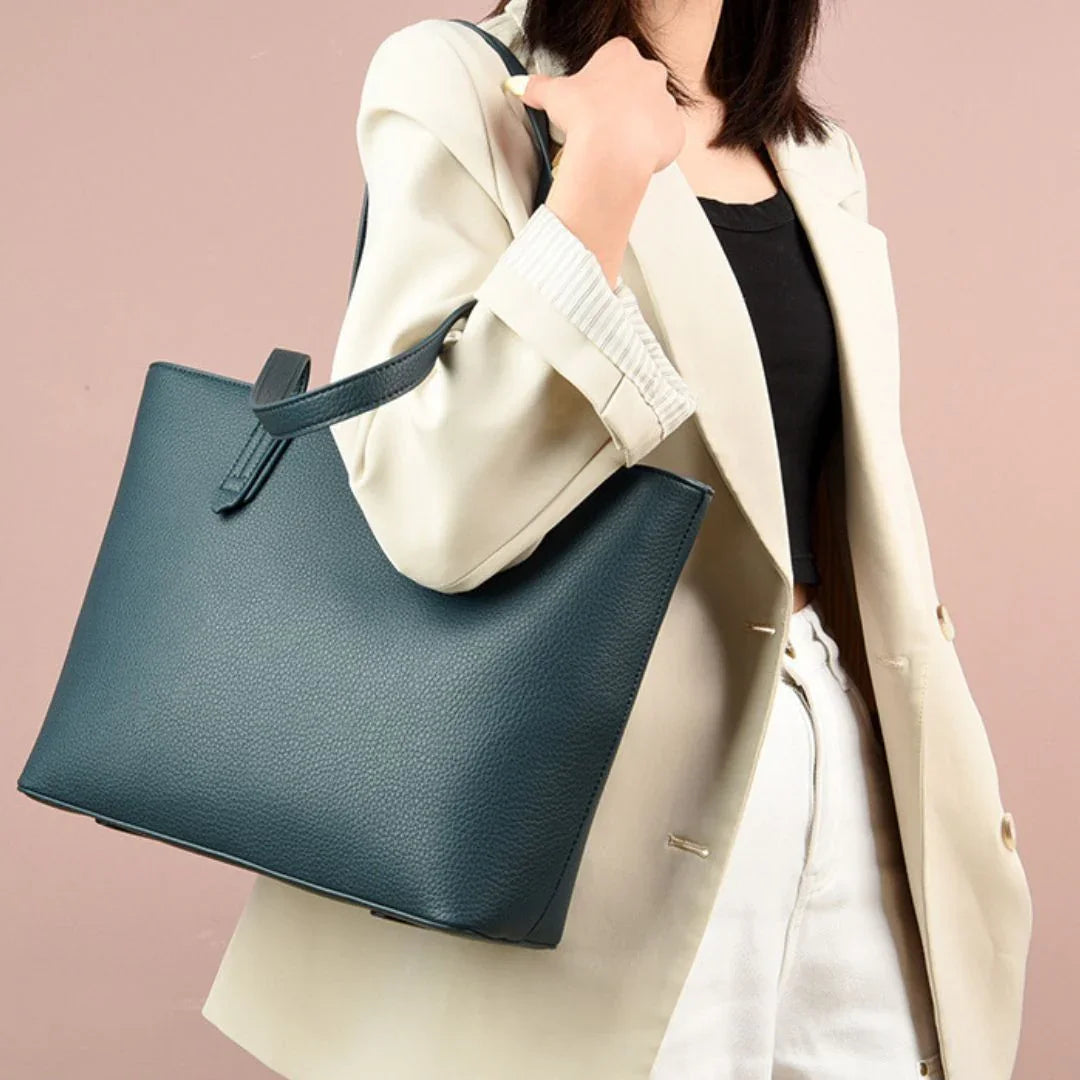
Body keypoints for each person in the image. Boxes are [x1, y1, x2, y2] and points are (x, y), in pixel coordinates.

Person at [200, 1, 1033, 1077]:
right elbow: (433, 512)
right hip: (602, 807)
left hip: (848, 763)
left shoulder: (816, 158)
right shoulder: (471, 84)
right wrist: (596, 187)